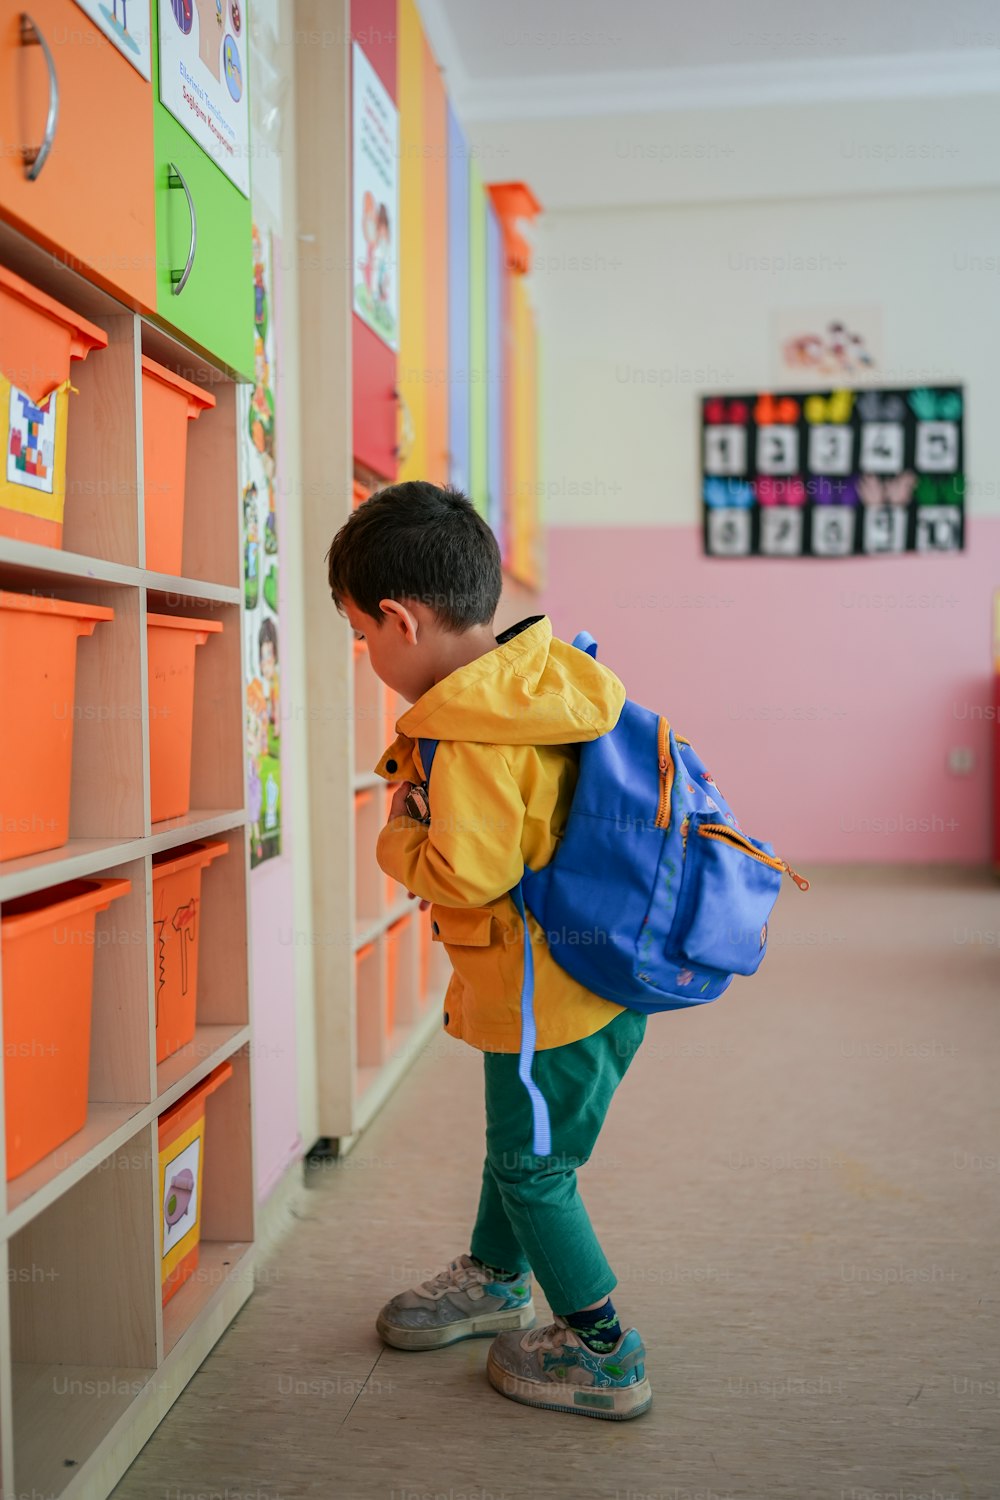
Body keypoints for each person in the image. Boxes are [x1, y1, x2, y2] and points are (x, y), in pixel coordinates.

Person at [325, 481, 651, 1421]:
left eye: (361, 636)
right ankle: (498, 1277)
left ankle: (604, 1352)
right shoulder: (532, 681)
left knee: (533, 1170)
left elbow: (462, 874)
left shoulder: (467, 734)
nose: (367, 654)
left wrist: (395, 831)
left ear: (400, 620)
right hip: (572, 983)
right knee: (516, 1147)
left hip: (552, 1001)